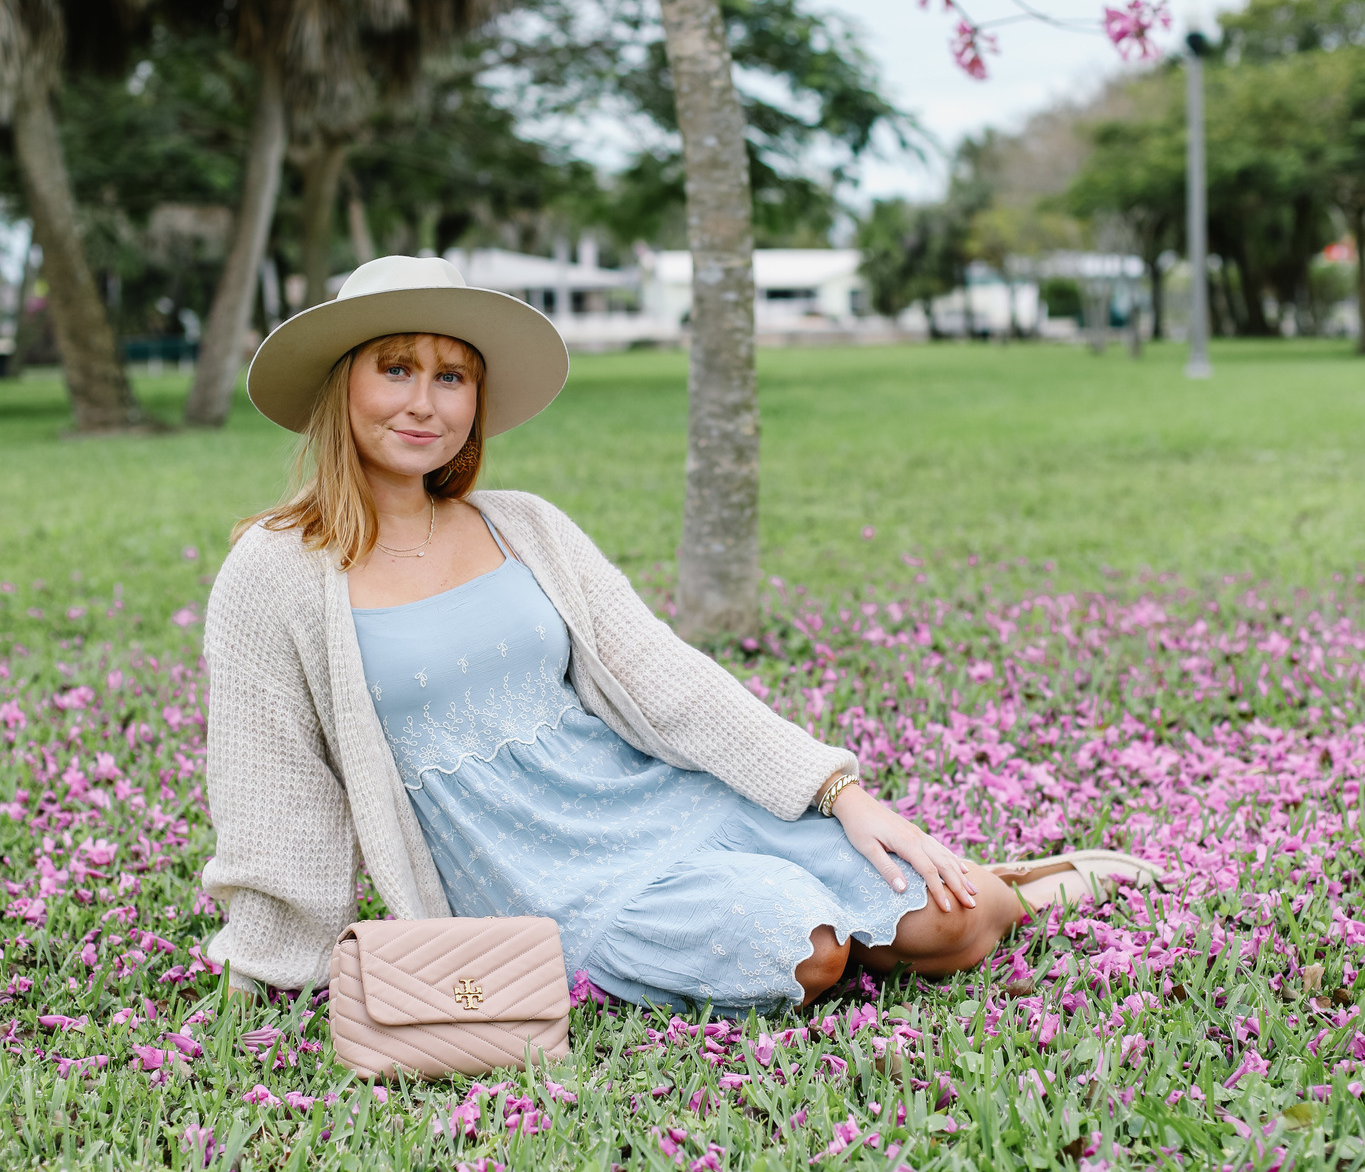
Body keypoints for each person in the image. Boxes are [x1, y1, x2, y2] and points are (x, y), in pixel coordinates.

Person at [203, 255, 1036, 1012]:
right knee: (801, 950)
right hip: (546, 886)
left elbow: (662, 676)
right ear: (342, 386)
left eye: (452, 376)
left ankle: (1027, 887)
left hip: (661, 804)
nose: (425, 402)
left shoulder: (523, 525)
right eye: (396, 369)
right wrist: (276, 971)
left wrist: (838, 795)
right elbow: (271, 788)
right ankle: (830, 911)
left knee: (956, 920)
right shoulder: (277, 570)